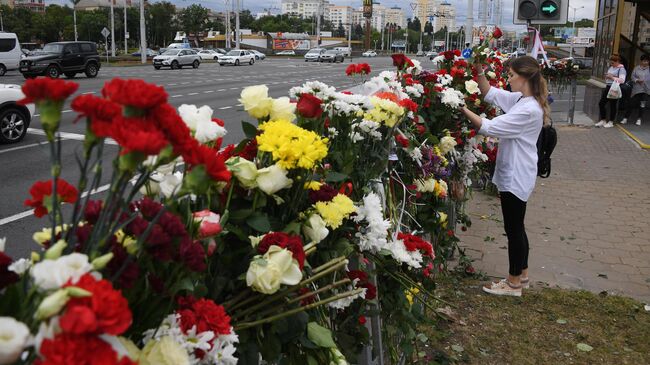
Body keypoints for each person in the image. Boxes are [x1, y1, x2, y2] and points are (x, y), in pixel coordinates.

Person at [461, 56, 549, 297]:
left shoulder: (528, 109)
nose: (508, 80)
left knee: (513, 229)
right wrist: (479, 72)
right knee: (517, 226)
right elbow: (490, 93)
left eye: (511, 76)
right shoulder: (522, 99)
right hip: (516, 171)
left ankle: (512, 284)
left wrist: (460, 107)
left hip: (517, 174)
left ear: (526, 76)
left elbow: (489, 127)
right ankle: (523, 275)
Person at [596, 54, 627, 128]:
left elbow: (622, 80)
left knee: (613, 105)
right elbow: (610, 76)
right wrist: (607, 76)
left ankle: (611, 121)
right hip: (608, 86)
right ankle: (603, 120)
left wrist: (611, 77)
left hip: (614, 87)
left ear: (618, 61)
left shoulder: (621, 69)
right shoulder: (612, 67)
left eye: (613, 63)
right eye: (611, 62)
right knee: (601, 103)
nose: (611, 64)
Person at [622, 54, 650, 126]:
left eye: (647, 61)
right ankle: (625, 118)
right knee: (631, 104)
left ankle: (639, 119)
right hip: (636, 90)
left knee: (642, 104)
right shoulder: (636, 68)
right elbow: (632, 77)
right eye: (644, 61)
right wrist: (637, 80)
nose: (645, 62)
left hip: (646, 90)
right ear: (641, 61)